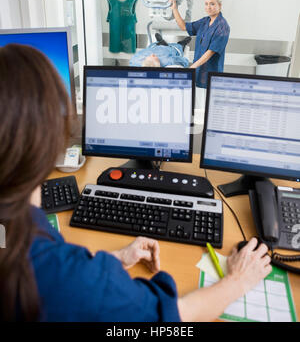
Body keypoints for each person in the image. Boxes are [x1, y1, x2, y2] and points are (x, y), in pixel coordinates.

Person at [0, 44, 271, 322]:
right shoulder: (62, 276)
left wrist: (114, 261)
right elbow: (172, 318)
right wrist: (238, 280)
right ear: (47, 141)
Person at [171, 0, 230, 108]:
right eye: (206, 4)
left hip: (210, 76)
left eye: (212, 4)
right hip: (198, 73)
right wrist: (174, 8)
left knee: (206, 110)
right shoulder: (204, 22)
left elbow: (210, 53)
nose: (208, 7)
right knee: (196, 109)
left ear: (219, 5)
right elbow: (183, 26)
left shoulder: (223, 26)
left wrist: (192, 67)